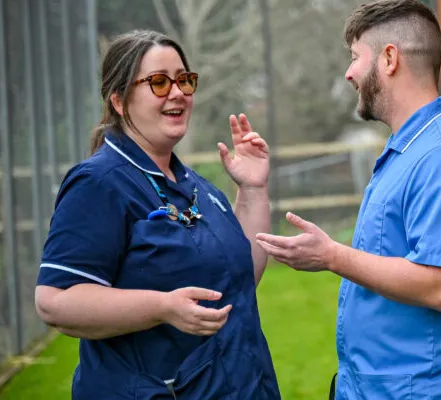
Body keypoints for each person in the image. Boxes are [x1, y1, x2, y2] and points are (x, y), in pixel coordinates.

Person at [255, 1, 441, 399]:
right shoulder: (407, 150)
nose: (349, 72)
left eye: (355, 57)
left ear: (389, 59)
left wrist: (332, 256)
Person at [33, 30, 280, 399]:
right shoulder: (99, 183)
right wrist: (162, 307)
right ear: (119, 101)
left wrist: (253, 189)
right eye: (160, 82)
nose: (178, 92)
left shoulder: (196, 186)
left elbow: (238, 280)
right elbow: (55, 300)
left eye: (184, 80)